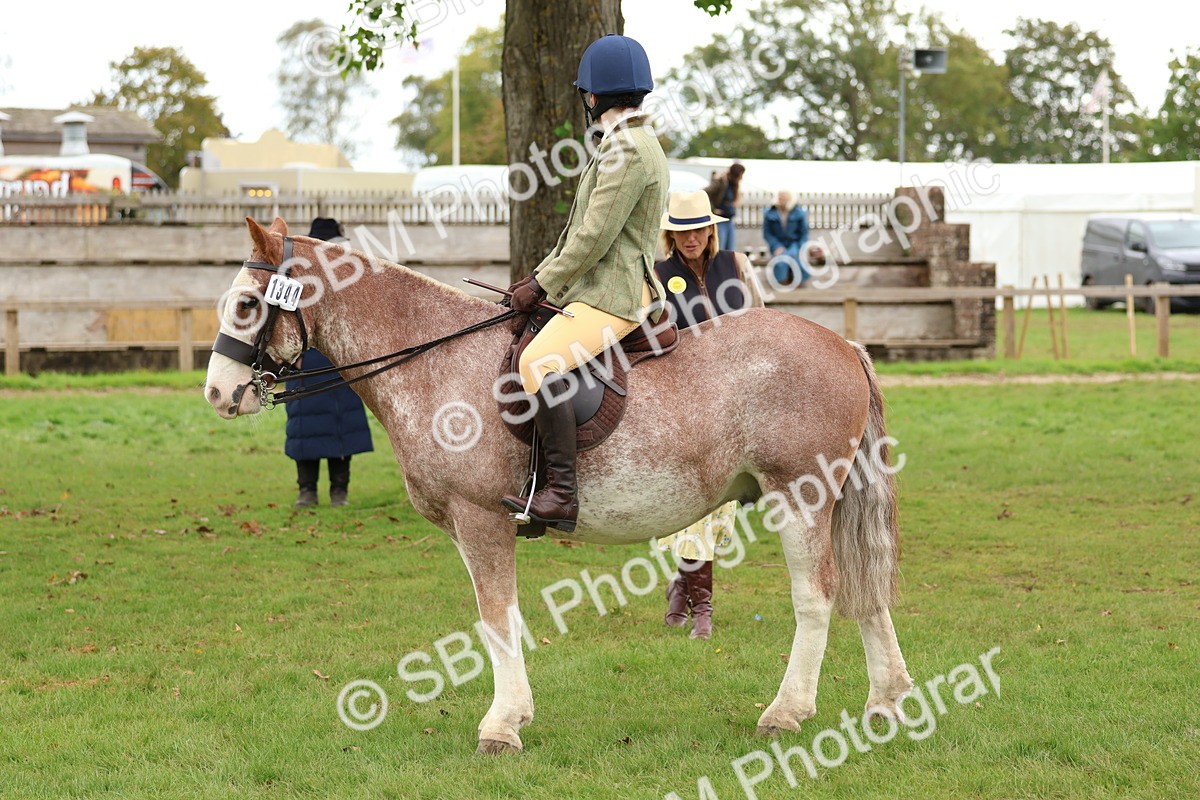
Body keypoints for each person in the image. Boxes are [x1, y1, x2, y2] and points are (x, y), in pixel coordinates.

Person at [499, 34, 669, 533]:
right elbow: (576, 232)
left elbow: (593, 238)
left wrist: (544, 284)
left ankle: (562, 497)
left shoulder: (629, 151)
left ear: (592, 96)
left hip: (613, 294)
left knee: (537, 363)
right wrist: (537, 279)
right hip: (596, 288)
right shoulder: (626, 144)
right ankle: (536, 486)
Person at [653, 191, 764, 639]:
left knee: (721, 508)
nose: (691, 238)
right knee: (698, 504)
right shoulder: (658, 275)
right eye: (681, 232)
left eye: (698, 229)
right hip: (685, 401)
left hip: (736, 401)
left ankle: (682, 586)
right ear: (670, 236)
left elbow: (761, 321)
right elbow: (650, 332)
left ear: (711, 230)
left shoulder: (736, 265)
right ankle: (703, 610)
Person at [284, 218, 374, 507]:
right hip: (306, 358)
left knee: (339, 426)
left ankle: (337, 491)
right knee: (306, 426)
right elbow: (284, 313)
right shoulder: (293, 274)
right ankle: (308, 490)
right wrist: (291, 353)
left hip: (339, 359)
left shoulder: (350, 276)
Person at [762, 190, 811, 286]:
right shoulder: (769, 213)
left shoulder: (799, 213)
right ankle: (781, 280)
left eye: (784, 197)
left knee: (793, 255)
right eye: (780, 196)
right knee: (781, 256)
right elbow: (767, 233)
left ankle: (798, 279)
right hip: (778, 243)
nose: (781, 199)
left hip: (794, 243)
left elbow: (804, 233)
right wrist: (775, 246)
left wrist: (801, 246)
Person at [705, 162, 745, 252]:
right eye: (741, 175)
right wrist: (713, 210)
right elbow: (704, 193)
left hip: (730, 220)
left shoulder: (734, 184)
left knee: (730, 250)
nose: (742, 178)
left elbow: (735, 200)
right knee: (719, 249)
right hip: (720, 221)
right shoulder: (721, 181)